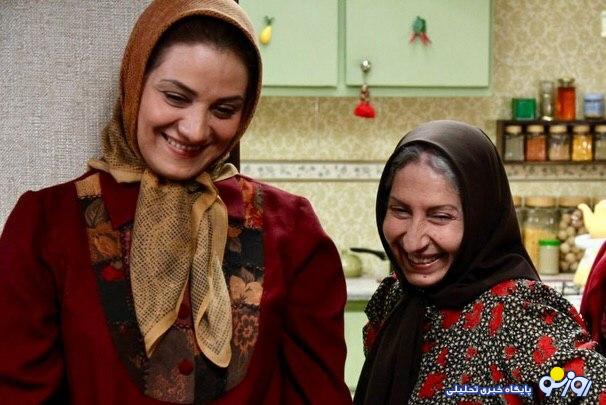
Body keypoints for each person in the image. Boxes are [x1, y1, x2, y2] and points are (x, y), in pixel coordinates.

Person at [0, 1, 351, 403]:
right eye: (175, 97)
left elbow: (320, 395)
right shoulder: (46, 225)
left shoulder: (292, 229)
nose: (195, 130)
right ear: (136, 83)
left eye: (224, 109)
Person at [353, 120, 606, 404]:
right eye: (400, 211)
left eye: (440, 216)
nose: (413, 242)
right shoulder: (396, 296)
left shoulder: (519, 315)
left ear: (481, 220)